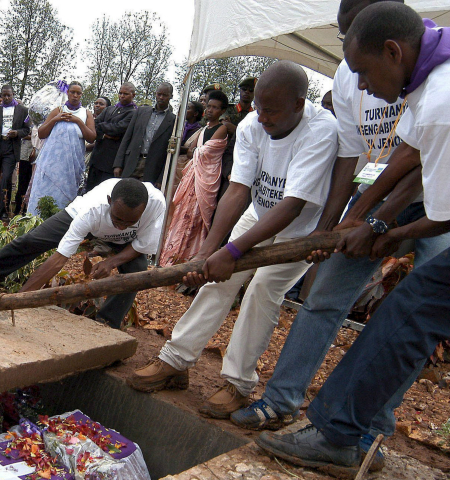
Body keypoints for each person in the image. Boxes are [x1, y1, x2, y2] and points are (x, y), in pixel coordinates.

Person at [229, 4, 450, 461]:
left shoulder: (440, 99)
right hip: (402, 196)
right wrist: (355, 218)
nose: (360, 84)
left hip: (438, 204)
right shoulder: (421, 73)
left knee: (416, 311)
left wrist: (380, 227)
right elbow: (402, 157)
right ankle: (289, 402)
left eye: (364, 72)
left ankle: (364, 430)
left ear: (390, 48)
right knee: (330, 296)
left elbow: (438, 202)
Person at [127, 61, 338, 421]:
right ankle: (176, 360)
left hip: (301, 227)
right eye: (258, 107)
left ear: (299, 105)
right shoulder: (254, 125)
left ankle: (239, 383)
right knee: (216, 280)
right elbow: (238, 189)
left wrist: (234, 250)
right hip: (259, 213)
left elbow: (293, 204)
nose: (262, 117)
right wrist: (209, 254)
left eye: (271, 110)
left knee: (262, 293)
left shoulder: (321, 130)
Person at [0, 178, 165, 328]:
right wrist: (18, 301)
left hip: (124, 241)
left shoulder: (156, 204)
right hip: (84, 219)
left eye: (131, 222)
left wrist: (110, 262)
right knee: (31, 241)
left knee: (137, 269)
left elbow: (142, 245)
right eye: (118, 219)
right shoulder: (91, 210)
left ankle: (106, 324)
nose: (122, 226)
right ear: (109, 202)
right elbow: (59, 260)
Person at [160, 91, 229, 266]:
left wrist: (193, 151)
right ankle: (172, 255)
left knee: (196, 217)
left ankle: (187, 258)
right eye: (209, 106)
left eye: (215, 107)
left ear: (222, 111)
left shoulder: (221, 128)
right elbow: (191, 150)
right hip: (193, 176)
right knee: (181, 212)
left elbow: (203, 151)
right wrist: (192, 151)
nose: (210, 110)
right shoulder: (205, 128)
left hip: (206, 178)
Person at [27, 81, 96, 215]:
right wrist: (55, 119)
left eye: (78, 93)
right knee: (46, 191)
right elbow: (41, 133)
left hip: (71, 167)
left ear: (81, 95)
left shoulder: (86, 113)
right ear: (67, 93)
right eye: (72, 92)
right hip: (51, 164)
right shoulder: (58, 110)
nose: (75, 95)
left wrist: (78, 121)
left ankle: (60, 222)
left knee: (66, 195)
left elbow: (91, 137)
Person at [113, 82, 176, 188]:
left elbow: (169, 153)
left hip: (152, 167)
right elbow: (127, 138)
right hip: (132, 161)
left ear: (171, 96)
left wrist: (161, 178)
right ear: (155, 94)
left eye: (165, 95)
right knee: (124, 193)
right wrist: (118, 164)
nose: (161, 97)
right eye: (159, 94)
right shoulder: (141, 112)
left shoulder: (173, 120)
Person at [0, 85, 30, 219]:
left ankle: (3, 210)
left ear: (13, 94)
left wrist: (17, 133)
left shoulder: (22, 111)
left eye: (9, 95)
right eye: (4, 95)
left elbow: (27, 130)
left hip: (11, 147)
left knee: (6, 179)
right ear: (1, 96)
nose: (7, 98)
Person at [84, 83, 137, 191]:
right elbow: (95, 125)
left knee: (103, 194)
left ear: (133, 95)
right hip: (96, 159)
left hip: (111, 163)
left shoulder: (133, 113)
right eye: (120, 93)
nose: (122, 96)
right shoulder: (109, 109)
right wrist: (104, 134)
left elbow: (117, 129)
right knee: (89, 192)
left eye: (125, 94)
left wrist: (103, 127)